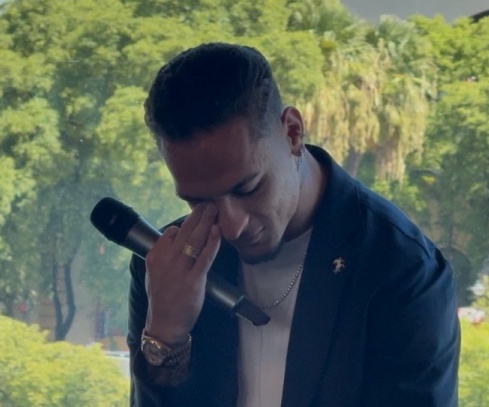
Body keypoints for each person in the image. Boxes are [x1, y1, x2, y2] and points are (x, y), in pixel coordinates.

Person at [126, 42, 460, 406]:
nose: (232, 227)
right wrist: (166, 337)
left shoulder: (402, 269)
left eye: (248, 188)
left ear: (293, 133)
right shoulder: (167, 266)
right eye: (199, 201)